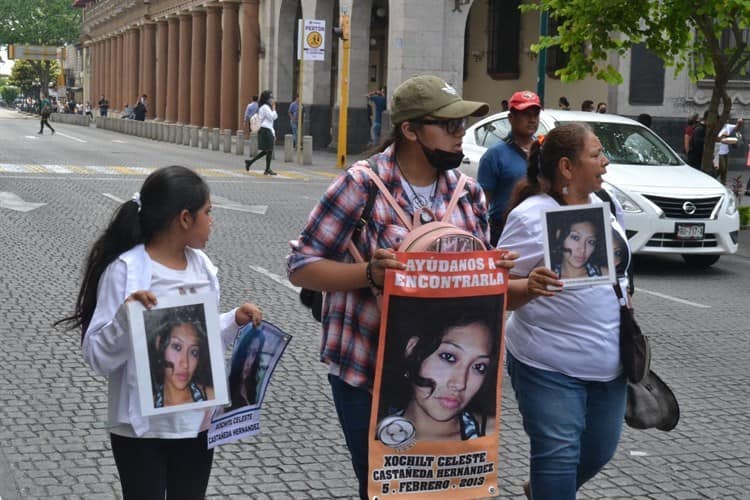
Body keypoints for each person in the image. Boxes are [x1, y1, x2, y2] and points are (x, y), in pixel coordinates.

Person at [287, 74, 523, 500]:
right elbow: (302, 266)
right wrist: (369, 275)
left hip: (449, 383)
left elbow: (477, 294)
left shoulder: (469, 195)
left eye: (462, 125)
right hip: (367, 374)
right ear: (411, 130)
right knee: (388, 490)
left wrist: (502, 276)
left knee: (444, 492)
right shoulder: (361, 185)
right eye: (448, 125)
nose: (459, 136)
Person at [56, 165, 263, 500]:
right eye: (208, 212)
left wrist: (232, 321)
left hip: (196, 423)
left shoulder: (204, 269)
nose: (213, 221)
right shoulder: (125, 271)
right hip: (141, 430)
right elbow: (98, 357)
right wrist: (127, 317)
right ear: (184, 218)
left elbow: (201, 341)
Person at [498, 123, 630, 500]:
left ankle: (541, 490)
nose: (605, 162)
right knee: (557, 457)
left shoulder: (606, 203)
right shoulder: (530, 216)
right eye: (596, 154)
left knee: (599, 451)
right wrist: (529, 287)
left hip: (610, 361)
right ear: (567, 168)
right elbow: (495, 292)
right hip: (548, 364)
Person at [376, 296, 500, 442]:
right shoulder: (375, 436)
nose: (460, 383)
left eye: (479, 367)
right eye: (449, 357)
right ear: (412, 349)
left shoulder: (487, 433)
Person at [478, 90, 542, 246]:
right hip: (503, 232)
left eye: (535, 114)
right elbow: (482, 205)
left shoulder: (545, 151)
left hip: (539, 230)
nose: (532, 119)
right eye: (526, 114)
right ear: (511, 118)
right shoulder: (494, 155)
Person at [148, 307, 214, 408]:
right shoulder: (146, 406)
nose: (185, 364)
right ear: (159, 343)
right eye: (177, 347)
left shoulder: (212, 398)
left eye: (194, 352)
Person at [548, 211, 608, 279]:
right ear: (559, 235)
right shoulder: (547, 276)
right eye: (575, 238)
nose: (583, 249)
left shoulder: (605, 274)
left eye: (591, 242)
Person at [227, 329, 265, 410]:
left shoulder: (252, 383)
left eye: (254, 354)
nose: (249, 362)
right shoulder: (227, 384)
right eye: (247, 352)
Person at [244, 90, 278, 175]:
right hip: (265, 130)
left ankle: (252, 163)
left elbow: (271, 120)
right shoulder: (265, 107)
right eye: (271, 97)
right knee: (268, 150)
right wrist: (274, 109)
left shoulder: (265, 107)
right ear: (267, 98)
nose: (272, 99)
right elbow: (272, 117)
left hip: (267, 129)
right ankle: (266, 168)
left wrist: (273, 133)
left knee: (268, 150)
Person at [717, 118, 743, 185]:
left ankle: (723, 184)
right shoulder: (716, 127)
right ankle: (713, 178)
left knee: (725, 170)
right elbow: (717, 139)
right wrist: (723, 136)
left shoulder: (727, 126)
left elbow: (736, 128)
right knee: (722, 168)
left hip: (726, 151)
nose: (727, 120)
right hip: (718, 152)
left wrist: (739, 122)